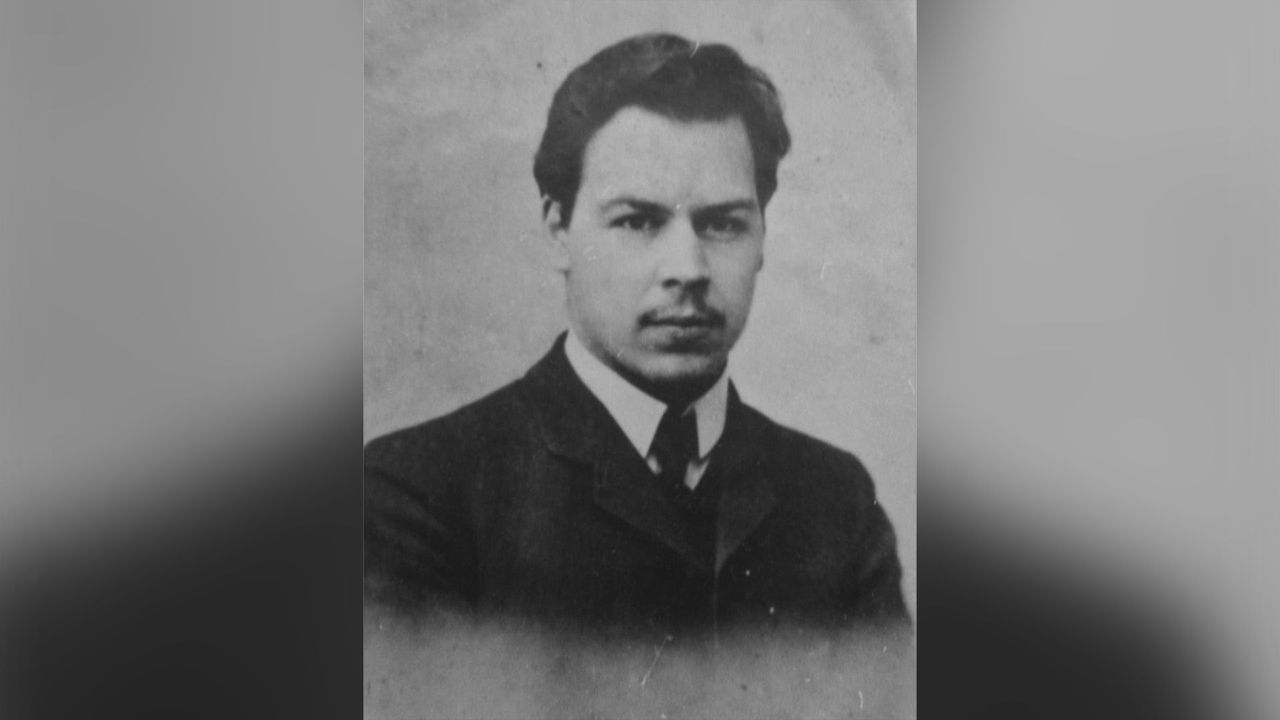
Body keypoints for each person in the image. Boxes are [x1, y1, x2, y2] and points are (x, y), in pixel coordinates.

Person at [364, 33, 908, 639]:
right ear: (558, 229)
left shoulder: (835, 499)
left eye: (722, 223)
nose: (689, 269)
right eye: (638, 221)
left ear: (762, 236)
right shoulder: (416, 494)